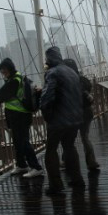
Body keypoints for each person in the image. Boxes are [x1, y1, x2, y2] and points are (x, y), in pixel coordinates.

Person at [0, 58, 43, 178]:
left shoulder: (14, 81)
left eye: (5, 71)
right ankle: (21, 165)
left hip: (19, 115)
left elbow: (2, 94)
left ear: (10, 69)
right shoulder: (18, 77)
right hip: (19, 115)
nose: (4, 74)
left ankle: (36, 167)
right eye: (2, 72)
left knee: (23, 141)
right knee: (18, 141)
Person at [39, 47, 85, 194]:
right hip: (75, 117)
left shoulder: (52, 73)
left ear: (50, 59)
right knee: (70, 147)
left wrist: (47, 115)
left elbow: (47, 97)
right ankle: (77, 179)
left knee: (51, 150)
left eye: (46, 59)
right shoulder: (71, 72)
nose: (46, 62)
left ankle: (56, 185)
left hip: (58, 118)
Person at [63, 58, 100, 171]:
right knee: (85, 137)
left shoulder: (69, 81)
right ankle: (91, 162)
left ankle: (66, 162)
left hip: (75, 113)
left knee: (68, 140)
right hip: (87, 112)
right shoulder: (83, 79)